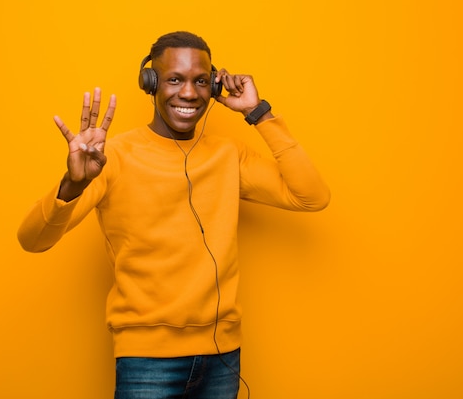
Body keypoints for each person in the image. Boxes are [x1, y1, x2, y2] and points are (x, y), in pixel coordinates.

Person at [17, 31, 330, 399]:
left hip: (222, 355)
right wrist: (72, 184)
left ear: (214, 87)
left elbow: (312, 196)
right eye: (174, 79)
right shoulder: (111, 158)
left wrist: (258, 112)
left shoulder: (229, 155)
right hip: (146, 359)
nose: (188, 93)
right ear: (150, 83)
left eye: (200, 81)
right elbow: (32, 240)